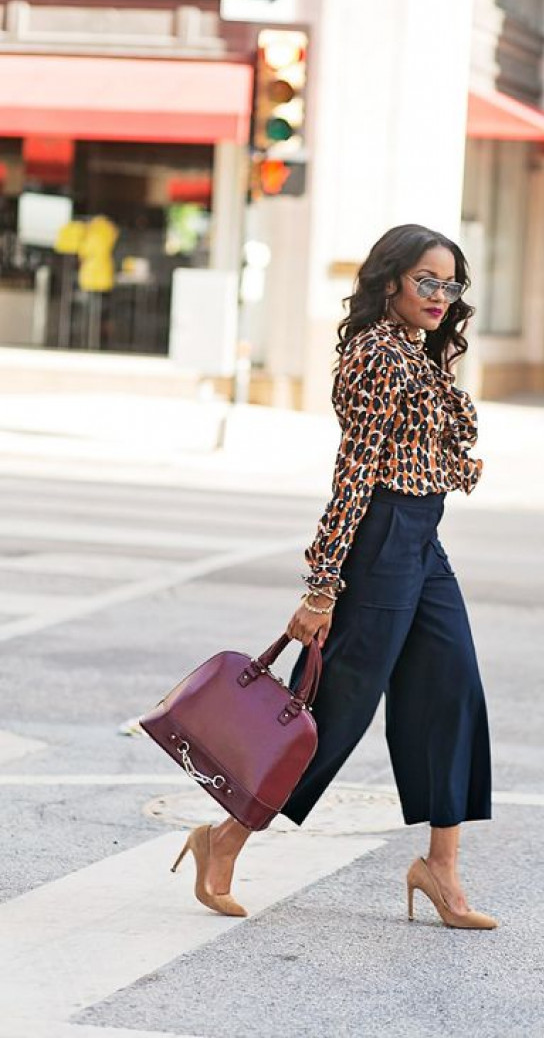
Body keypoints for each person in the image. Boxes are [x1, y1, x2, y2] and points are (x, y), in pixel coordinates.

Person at [174, 224, 496, 930]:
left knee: (452, 690)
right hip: (380, 539)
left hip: (421, 540)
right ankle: (223, 839)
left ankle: (440, 867)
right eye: (427, 281)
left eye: (451, 285)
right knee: (333, 712)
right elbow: (353, 475)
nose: (440, 296)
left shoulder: (415, 351)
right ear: (391, 283)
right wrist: (322, 586)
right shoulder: (377, 357)